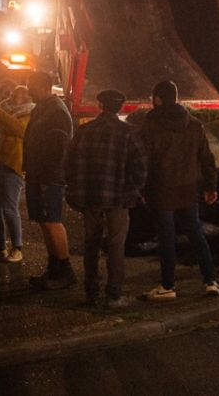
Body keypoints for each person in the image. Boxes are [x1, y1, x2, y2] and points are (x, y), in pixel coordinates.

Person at [65, 90, 147, 307]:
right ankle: (114, 294)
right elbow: (140, 169)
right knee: (116, 245)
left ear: (100, 105)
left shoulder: (84, 131)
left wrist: (75, 191)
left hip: (90, 196)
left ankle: (91, 291)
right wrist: (134, 191)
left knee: (91, 244)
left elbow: (70, 164)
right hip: (118, 197)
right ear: (120, 107)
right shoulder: (129, 133)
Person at [140, 80, 219, 300]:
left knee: (167, 236)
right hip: (188, 188)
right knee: (195, 232)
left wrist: (138, 188)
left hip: (162, 188)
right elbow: (206, 158)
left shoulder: (151, 125)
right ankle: (210, 280)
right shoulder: (193, 124)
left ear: (157, 99)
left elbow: (143, 161)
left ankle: (168, 285)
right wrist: (211, 186)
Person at [23, 71, 77, 289]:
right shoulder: (43, 109)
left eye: (32, 86)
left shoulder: (55, 112)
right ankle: (54, 268)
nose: (29, 91)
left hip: (49, 177)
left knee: (52, 221)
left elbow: (58, 148)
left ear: (44, 87)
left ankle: (65, 270)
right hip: (39, 174)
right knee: (44, 221)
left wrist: (49, 173)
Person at [0, 81, 34, 263]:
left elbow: (19, 129)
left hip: (9, 166)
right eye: (13, 93)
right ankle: (0, 248)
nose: (12, 95)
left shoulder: (29, 113)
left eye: (18, 94)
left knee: (9, 209)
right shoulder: (3, 109)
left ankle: (17, 248)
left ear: (26, 98)